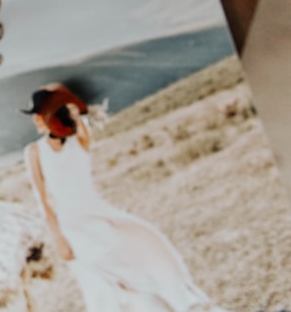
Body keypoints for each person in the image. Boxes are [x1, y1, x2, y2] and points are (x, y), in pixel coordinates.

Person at [23, 83, 229, 311]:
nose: (36, 121)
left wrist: (57, 94)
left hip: (100, 215)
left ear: (53, 114)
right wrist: (59, 239)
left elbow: (80, 109)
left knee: (140, 266)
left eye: (40, 114)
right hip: (72, 228)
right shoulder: (34, 152)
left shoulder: (80, 139)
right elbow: (42, 200)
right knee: (104, 286)